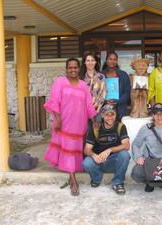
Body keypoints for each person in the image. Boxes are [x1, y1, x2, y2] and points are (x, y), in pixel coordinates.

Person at [44, 58, 97, 196]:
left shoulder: (83, 85)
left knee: (74, 151)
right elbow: (54, 101)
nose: (73, 70)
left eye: (75, 67)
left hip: (79, 124)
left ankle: (70, 175)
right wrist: (58, 119)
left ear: (79, 69)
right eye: (70, 68)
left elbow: (89, 105)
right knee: (67, 151)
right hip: (64, 122)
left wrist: (94, 118)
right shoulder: (60, 82)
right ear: (66, 69)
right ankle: (74, 181)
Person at [82, 104, 131, 194]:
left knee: (125, 155)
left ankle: (118, 182)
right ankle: (96, 178)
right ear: (102, 116)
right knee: (86, 163)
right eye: (107, 115)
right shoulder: (96, 128)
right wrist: (94, 155)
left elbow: (126, 145)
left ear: (115, 115)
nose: (110, 117)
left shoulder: (120, 127)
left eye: (112, 114)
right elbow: (86, 149)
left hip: (112, 161)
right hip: (98, 160)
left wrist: (109, 150)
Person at [102, 52, 131, 119]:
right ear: (106, 60)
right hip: (104, 111)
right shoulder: (100, 75)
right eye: (110, 59)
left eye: (114, 59)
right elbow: (97, 94)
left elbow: (127, 92)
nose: (112, 61)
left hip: (121, 111)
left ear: (117, 61)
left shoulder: (124, 75)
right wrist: (105, 101)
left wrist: (117, 101)